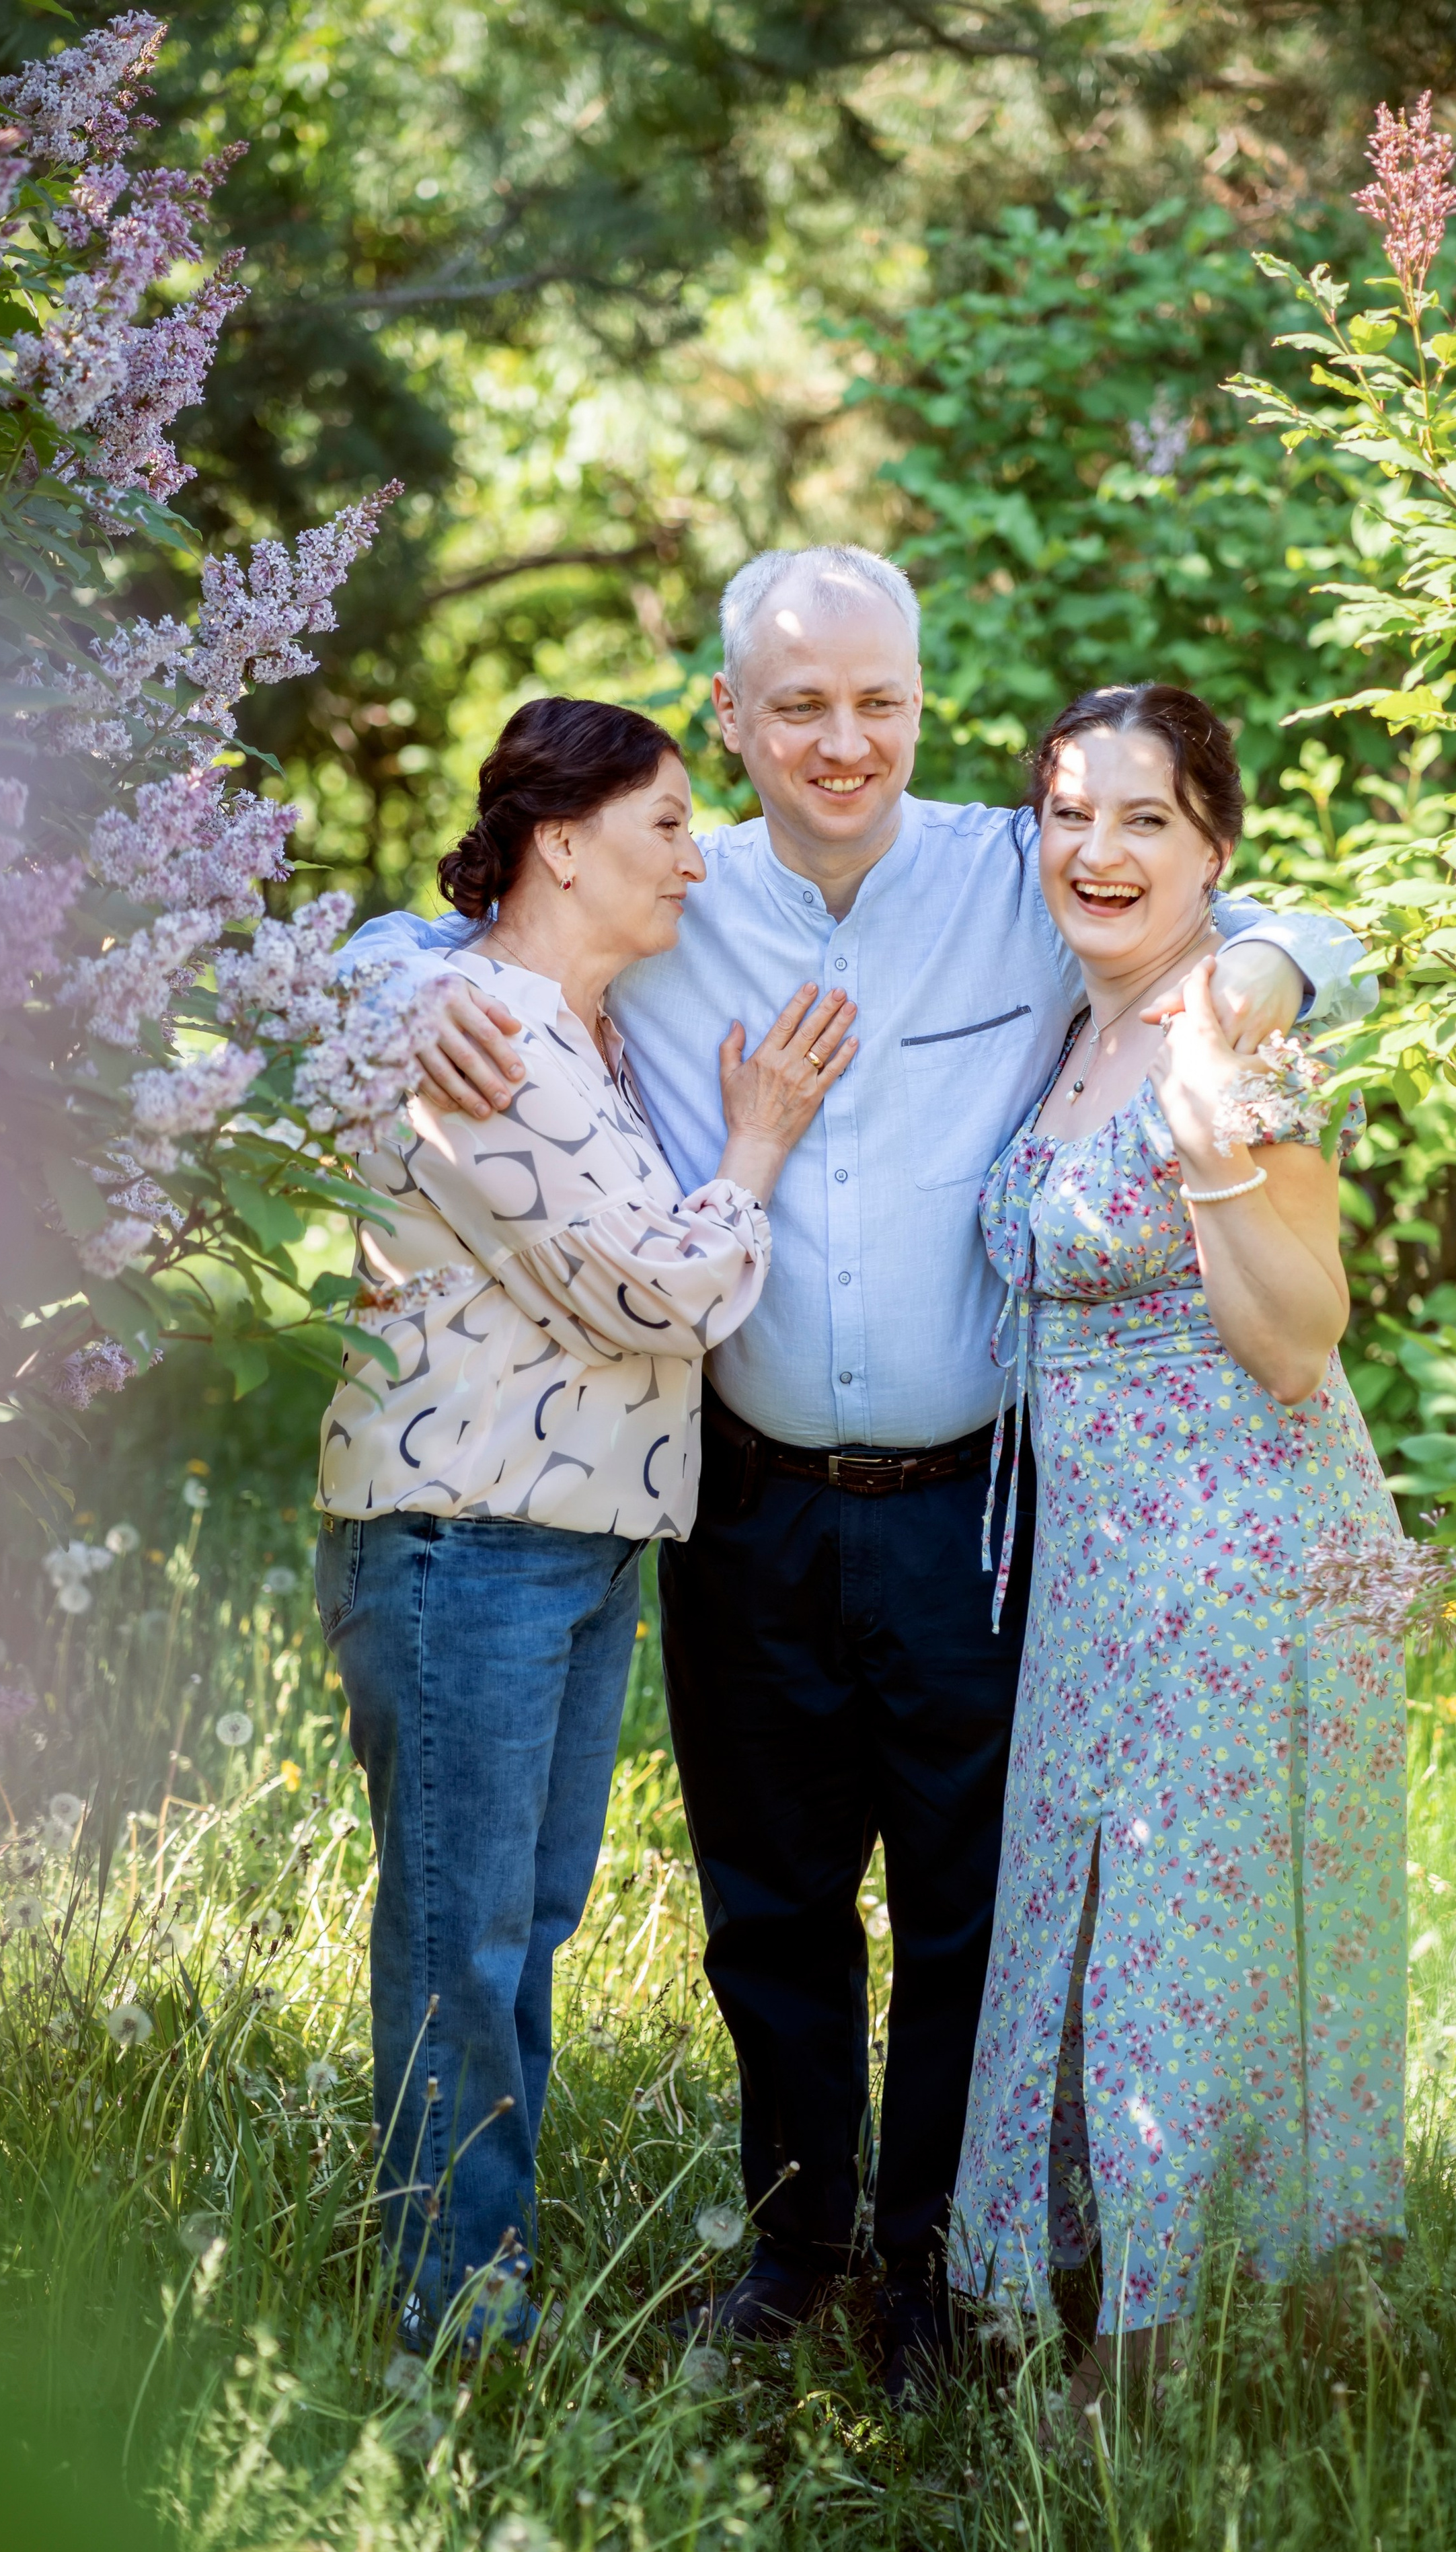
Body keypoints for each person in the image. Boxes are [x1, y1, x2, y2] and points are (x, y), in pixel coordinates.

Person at [338, 546, 1373, 2398]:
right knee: (769, 1904)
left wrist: (1273, 976)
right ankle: (795, 2250)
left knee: (970, 1909)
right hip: (739, 1493)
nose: (842, 739)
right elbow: (463, 922)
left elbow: (1263, 901)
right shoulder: (668, 885)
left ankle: (933, 2272)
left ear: (923, 702)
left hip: (978, 1504)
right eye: (797, 704)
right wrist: (393, 969)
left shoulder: (1017, 872)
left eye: (878, 701)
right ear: (729, 716)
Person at [314, 696, 855, 2353]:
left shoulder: (550, 1022)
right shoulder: (489, 1026)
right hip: (459, 1542)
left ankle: (481, 2279)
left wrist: (383, 967)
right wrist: (760, 1143)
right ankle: (454, 2313)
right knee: (460, 1941)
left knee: (510, 1928)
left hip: (556, 1546)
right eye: (668, 825)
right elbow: (662, 1289)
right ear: (562, 842)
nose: (698, 858)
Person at [949, 685, 1405, 2397]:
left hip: (1239, 1550)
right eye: (1068, 813)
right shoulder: (1078, 1024)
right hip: (1098, 1568)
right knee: (1097, 1918)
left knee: (1177, 1926)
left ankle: (1150, 2361)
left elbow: (1295, 1339)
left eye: (1143, 818)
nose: (1097, 848)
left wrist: (1213, 1129)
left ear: (1212, 844)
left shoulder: (1225, 1029)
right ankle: (1072, 2301)